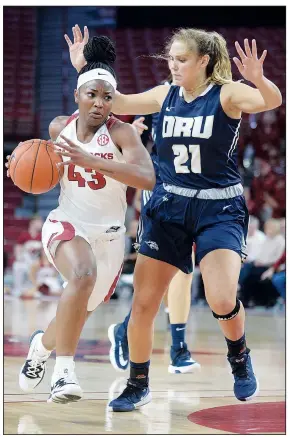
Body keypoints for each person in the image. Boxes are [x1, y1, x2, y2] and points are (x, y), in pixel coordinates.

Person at [67, 27, 282, 411]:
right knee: (144, 304)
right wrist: (86, 67)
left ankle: (239, 357)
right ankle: (138, 384)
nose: (173, 65)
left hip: (219, 209)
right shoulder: (165, 93)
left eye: (181, 59)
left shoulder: (227, 93)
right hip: (169, 207)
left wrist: (259, 79)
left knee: (220, 298)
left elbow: (271, 100)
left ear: (204, 61)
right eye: (171, 58)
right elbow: (117, 100)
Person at [6, 34, 155, 404]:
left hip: (109, 236)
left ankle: (41, 347)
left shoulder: (121, 134)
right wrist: (16, 163)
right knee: (82, 275)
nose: (100, 104)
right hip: (67, 223)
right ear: (77, 96)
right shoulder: (59, 127)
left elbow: (147, 177)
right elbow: (38, 162)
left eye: (107, 97)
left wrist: (94, 161)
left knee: (77, 312)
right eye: (92, 95)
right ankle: (64, 373)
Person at [108, 94, 200, 374]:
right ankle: (173, 346)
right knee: (163, 274)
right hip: (160, 187)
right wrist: (130, 138)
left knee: (181, 271)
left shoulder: (209, 102)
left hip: (193, 190)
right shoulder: (164, 98)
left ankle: (174, 347)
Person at [12, 215, 43, 296]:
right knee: (17, 266)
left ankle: (35, 289)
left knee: (39, 270)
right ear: (32, 223)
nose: (41, 224)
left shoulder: (41, 236)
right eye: (39, 222)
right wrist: (19, 257)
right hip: (25, 260)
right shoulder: (24, 235)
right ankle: (17, 288)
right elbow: (18, 248)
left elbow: (44, 252)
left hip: (36, 262)